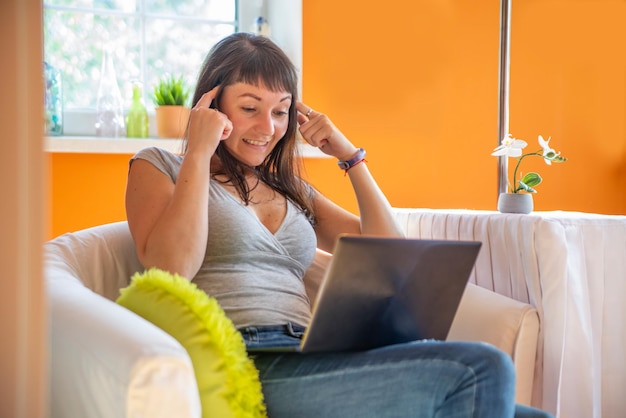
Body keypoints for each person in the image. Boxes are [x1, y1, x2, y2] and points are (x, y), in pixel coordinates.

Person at [125, 32, 552, 418]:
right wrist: (199, 152)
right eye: (250, 108)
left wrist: (351, 158)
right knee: (483, 366)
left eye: (281, 112)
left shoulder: (289, 189)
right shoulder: (159, 166)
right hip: (251, 361)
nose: (267, 128)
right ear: (211, 105)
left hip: (314, 353)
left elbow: (390, 254)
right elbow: (170, 268)